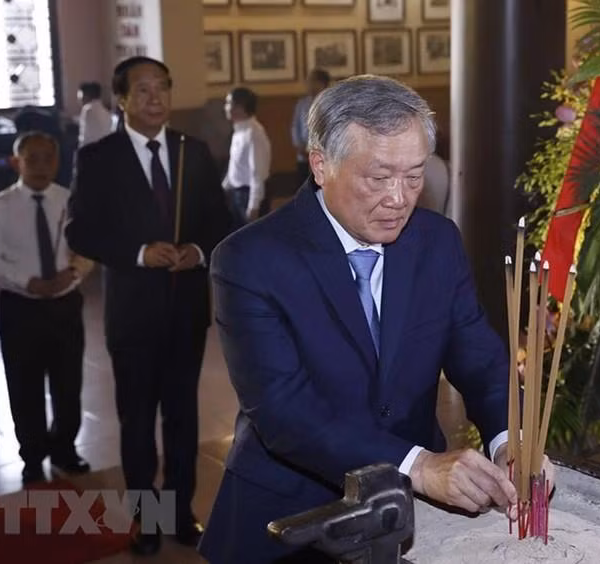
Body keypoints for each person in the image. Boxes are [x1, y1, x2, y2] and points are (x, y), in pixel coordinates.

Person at [199, 75, 555, 563]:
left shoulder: (437, 242)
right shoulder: (250, 259)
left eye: (414, 176)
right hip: (292, 513)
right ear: (321, 164)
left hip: (410, 514)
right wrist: (419, 466)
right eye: (379, 177)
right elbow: (285, 412)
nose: (399, 198)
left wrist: (509, 440)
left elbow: (479, 358)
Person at [66, 56, 234, 556]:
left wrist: (197, 251)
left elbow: (220, 221)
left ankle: (179, 513)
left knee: (182, 418)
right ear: (121, 99)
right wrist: (139, 253)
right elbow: (80, 231)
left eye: (162, 87)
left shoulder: (192, 151)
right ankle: (147, 519)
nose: (155, 98)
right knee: (138, 422)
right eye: (142, 90)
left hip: (185, 311)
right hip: (133, 315)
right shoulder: (98, 158)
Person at [0, 132, 92, 483]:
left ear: (58, 162)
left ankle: (65, 448)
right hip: (21, 307)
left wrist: (73, 273)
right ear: (17, 163)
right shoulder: (0, 206)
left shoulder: (70, 201)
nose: (41, 166)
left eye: (48, 158)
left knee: (68, 382)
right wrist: (28, 281)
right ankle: (32, 454)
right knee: (24, 384)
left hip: (64, 304)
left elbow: (88, 248)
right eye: (32, 159)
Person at [222, 86, 271, 226]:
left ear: (240, 107)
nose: (225, 107)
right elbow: (235, 165)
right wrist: (224, 188)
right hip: (237, 194)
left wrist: (253, 207)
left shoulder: (254, 133)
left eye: (228, 103)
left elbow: (257, 173)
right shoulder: (239, 130)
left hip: (248, 196)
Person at [291, 68, 331, 185]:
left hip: (324, 153)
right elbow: (295, 126)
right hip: (303, 152)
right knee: (303, 184)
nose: (307, 85)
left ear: (321, 83)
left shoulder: (330, 102)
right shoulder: (302, 104)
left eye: (311, 81)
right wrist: (298, 145)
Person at [76, 81, 114, 147]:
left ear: (86, 95)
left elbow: (84, 138)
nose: (79, 100)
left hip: (90, 150)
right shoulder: (107, 113)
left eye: (80, 96)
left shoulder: (87, 109)